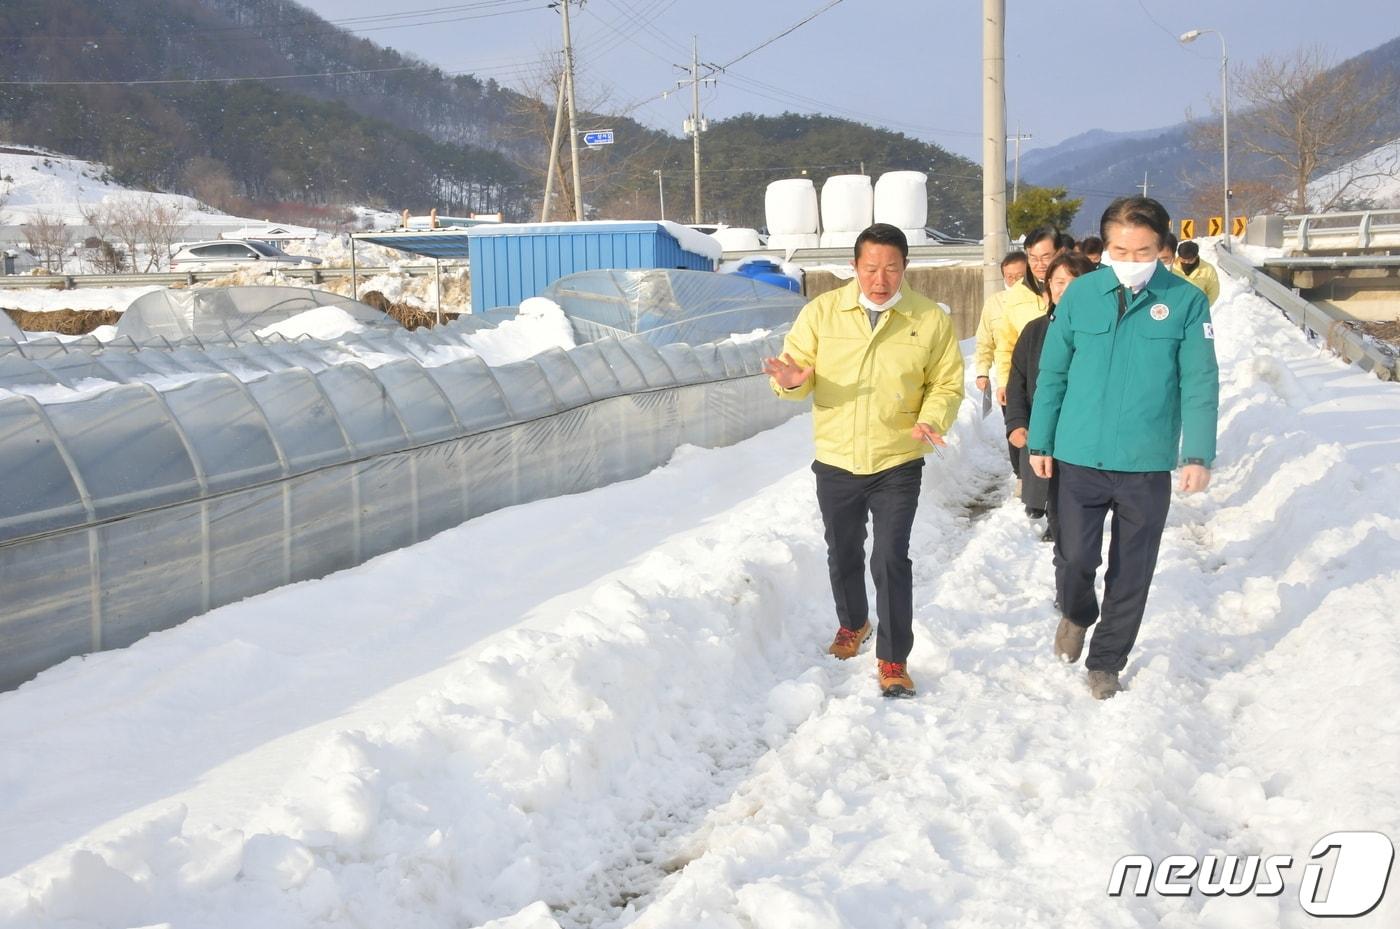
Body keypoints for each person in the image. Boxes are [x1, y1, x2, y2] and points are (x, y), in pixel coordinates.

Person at [1027, 197, 1219, 700]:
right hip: (1077, 455)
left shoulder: (1185, 301)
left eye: (1143, 251)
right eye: (1119, 249)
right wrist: (1041, 439)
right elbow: (1053, 374)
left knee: (1132, 570)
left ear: (1162, 249)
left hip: (1145, 460)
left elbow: (1200, 381)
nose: (1131, 260)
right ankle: (1077, 611)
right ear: (1104, 247)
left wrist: (1196, 453)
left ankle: (1107, 659)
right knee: (1073, 561)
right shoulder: (1081, 295)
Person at [764, 224, 964, 698]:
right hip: (836, 457)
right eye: (871, 268)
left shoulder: (928, 319)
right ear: (854, 267)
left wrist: (933, 416)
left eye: (891, 268)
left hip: (897, 458)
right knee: (843, 549)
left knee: (891, 557)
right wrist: (792, 380)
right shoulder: (822, 313)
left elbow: (947, 383)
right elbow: (795, 377)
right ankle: (853, 623)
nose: (880, 278)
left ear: (905, 269)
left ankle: (893, 657)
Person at [1004, 250, 1096, 538]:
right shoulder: (1035, 330)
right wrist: (1016, 422)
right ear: (1048, 289)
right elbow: (1016, 379)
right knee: (1050, 479)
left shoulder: (1103, 333)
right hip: (1044, 423)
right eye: (1059, 282)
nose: (1066, 289)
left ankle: (1067, 528)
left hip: (1087, 428)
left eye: (1076, 281)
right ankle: (1056, 525)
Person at [989, 228, 1055, 480]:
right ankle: (1028, 483)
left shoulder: (1074, 284)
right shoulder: (1015, 296)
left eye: (1045, 257)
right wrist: (1004, 380)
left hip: (1067, 380)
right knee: (1027, 433)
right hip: (1029, 378)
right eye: (1033, 257)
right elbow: (1005, 343)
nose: (1039, 265)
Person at [973, 251, 1028, 416]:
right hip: (1008, 378)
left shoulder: (1041, 300)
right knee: (1015, 429)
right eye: (1009, 277)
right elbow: (984, 340)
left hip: (1038, 376)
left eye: (1020, 276)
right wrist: (982, 372)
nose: (1015, 281)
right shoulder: (994, 303)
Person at [1173, 240, 1221, 305]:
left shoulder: (1208, 269)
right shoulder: (1172, 267)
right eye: (1183, 260)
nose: (1186, 263)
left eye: (1190, 260)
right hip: (1175, 307)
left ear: (1196, 257)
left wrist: (1202, 307)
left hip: (1197, 308)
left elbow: (1213, 292)